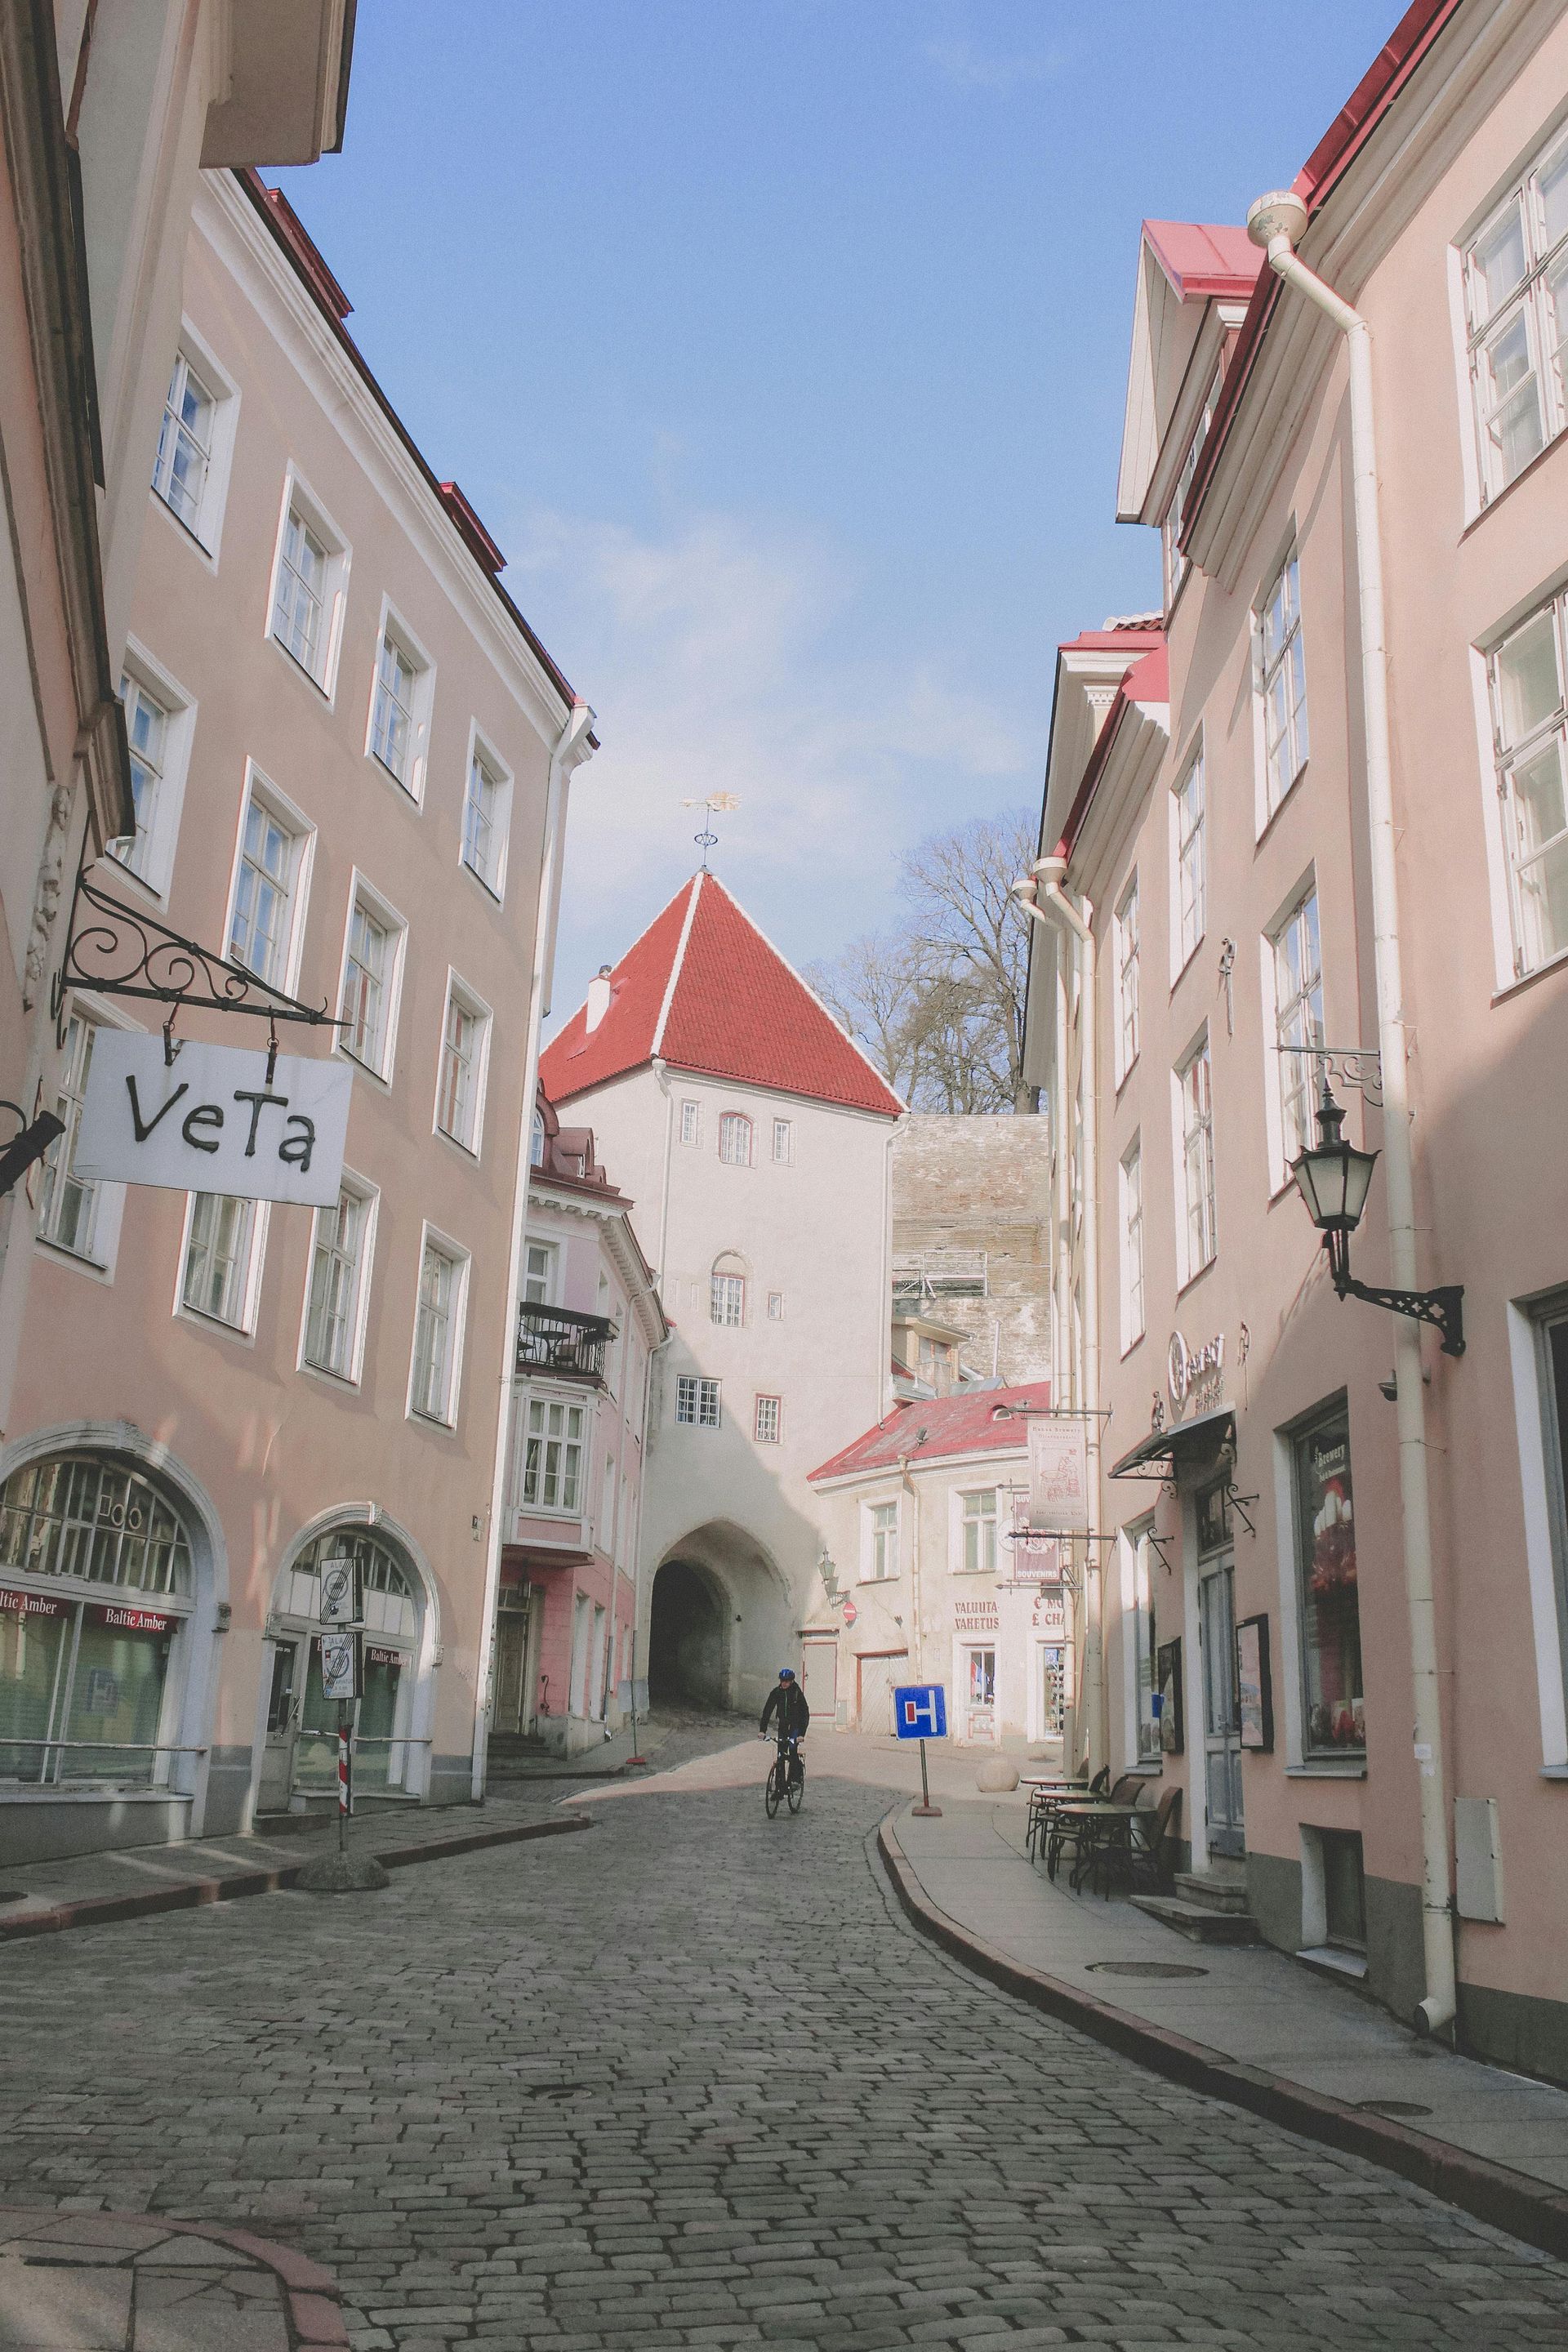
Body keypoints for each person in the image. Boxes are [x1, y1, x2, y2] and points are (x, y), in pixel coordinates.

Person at [760, 1667, 809, 1770]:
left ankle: (795, 1780)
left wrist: (802, 1734)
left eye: (786, 1681)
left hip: (795, 1727)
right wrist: (762, 1730)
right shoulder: (776, 1693)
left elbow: (805, 1713)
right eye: (782, 1681)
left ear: (791, 1681)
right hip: (783, 1726)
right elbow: (767, 1711)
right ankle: (779, 1783)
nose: (784, 1683)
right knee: (780, 1754)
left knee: (792, 1750)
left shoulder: (797, 1693)